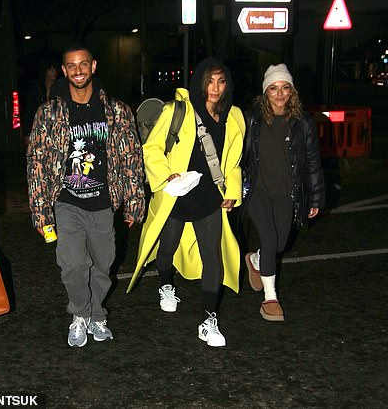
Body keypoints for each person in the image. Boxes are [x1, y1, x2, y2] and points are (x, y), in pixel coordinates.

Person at [26, 43, 145, 348]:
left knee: (104, 264)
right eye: (71, 66)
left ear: (93, 67)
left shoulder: (117, 111)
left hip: (104, 203)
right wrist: (40, 210)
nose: (77, 70)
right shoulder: (50, 113)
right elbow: (37, 161)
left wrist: (134, 200)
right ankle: (81, 314)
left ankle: (96, 314)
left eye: (83, 64)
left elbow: (131, 156)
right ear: (64, 71)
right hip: (66, 201)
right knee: (74, 264)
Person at [129, 57, 245, 347]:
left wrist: (232, 190)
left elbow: (233, 162)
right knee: (167, 247)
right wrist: (167, 177)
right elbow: (151, 149)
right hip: (177, 195)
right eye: (209, 81)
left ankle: (209, 320)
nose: (215, 88)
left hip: (209, 198)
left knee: (213, 258)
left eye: (221, 81)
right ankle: (166, 284)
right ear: (199, 82)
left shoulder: (233, 117)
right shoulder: (177, 111)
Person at [242, 64, 325, 322]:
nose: (279, 94)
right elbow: (237, 151)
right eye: (274, 88)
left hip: (286, 192)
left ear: (292, 91)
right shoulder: (252, 118)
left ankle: (255, 260)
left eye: (284, 88)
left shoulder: (303, 122)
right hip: (257, 190)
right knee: (269, 239)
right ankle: (270, 297)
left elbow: (312, 160)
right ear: (265, 92)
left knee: (280, 243)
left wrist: (316, 196)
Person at [23, 59, 59, 138]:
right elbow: (30, 111)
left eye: (55, 69)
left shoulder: (60, 89)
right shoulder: (37, 90)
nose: (54, 72)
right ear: (45, 71)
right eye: (51, 69)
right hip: (40, 130)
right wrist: (27, 133)